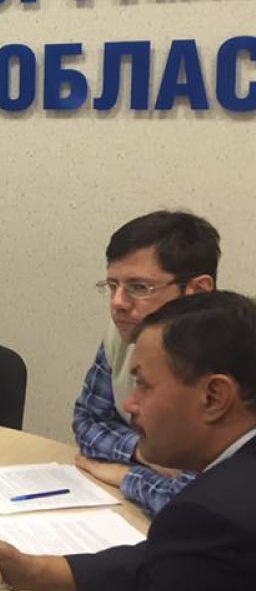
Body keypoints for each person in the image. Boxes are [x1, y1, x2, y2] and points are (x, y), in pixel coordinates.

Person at [0, 291, 256, 591]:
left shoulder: (217, 515)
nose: (130, 405)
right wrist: (32, 571)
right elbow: (165, 567)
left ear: (214, 397)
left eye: (144, 385)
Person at [72, 211, 217, 515]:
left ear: (198, 291)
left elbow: (200, 502)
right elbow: (87, 421)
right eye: (112, 285)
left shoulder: (232, 361)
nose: (118, 303)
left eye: (139, 287)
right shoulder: (126, 333)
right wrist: (143, 453)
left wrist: (128, 476)